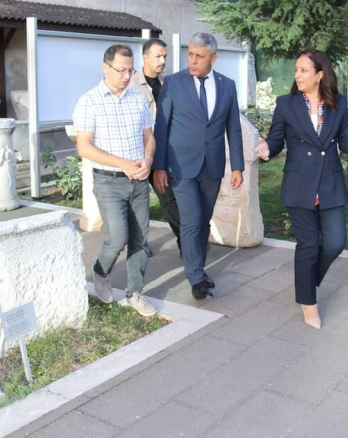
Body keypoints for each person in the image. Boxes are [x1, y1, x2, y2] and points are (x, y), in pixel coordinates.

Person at [254, 49, 348, 329]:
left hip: (330, 184)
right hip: (299, 184)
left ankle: (306, 281)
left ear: (319, 74)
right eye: (296, 70)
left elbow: (345, 136)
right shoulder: (286, 104)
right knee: (309, 244)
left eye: (303, 70)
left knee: (335, 243)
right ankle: (308, 302)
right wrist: (266, 149)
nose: (298, 75)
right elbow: (276, 139)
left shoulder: (338, 103)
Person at [153, 33, 245, 300]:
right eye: (190, 54)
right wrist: (159, 166)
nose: (192, 60)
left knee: (204, 221)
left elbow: (233, 128)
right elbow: (162, 126)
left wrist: (237, 166)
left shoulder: (227, 86)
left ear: (213, 58)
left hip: (212, 166)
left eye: (199, 56)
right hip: (180, 167)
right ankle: (195, 278)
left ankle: (199, 270)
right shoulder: (173, 83)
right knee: (191, 220)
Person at [72, 44, 157, 317]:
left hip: (139, 181)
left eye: (130, 71)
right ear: (105, 67)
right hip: (108, 182)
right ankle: (101, 271)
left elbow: (149, 137)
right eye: (121, 70)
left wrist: (148, 160)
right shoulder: (89, 101)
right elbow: (84, 147)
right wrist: (123, 164)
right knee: (118, 237)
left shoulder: (137, 99)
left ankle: (135, 293)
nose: (126, 76)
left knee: (140, 239)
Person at [128, 38, 183, 255]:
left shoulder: (168, 82)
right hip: (140, 152)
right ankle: (138, 246)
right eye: (158, 56)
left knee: (171, 198)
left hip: (167, 150)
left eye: (164, 56)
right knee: (137, 203)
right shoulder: (132, 85)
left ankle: (186, 242)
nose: (162, 61)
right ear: (145, 57)